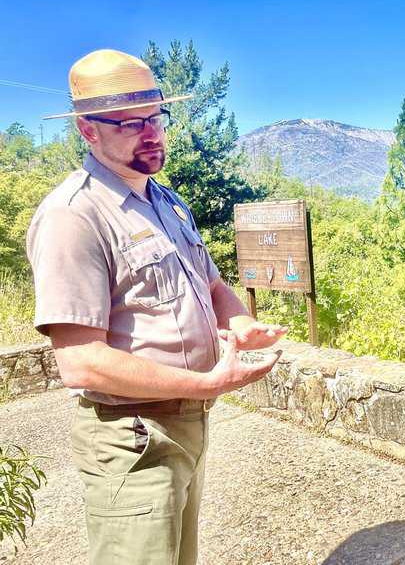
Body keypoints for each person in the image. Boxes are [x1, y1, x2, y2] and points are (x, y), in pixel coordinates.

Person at [26, 49, 285, 564]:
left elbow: (211, 286)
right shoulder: (72, 216)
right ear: (87, 131)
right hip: (132, 439)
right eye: (127, 123)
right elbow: (80, 361)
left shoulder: (165, 200)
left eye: (155, 117)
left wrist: (240, 323)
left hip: (187, 421)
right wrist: (209, 383)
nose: (150, 133)